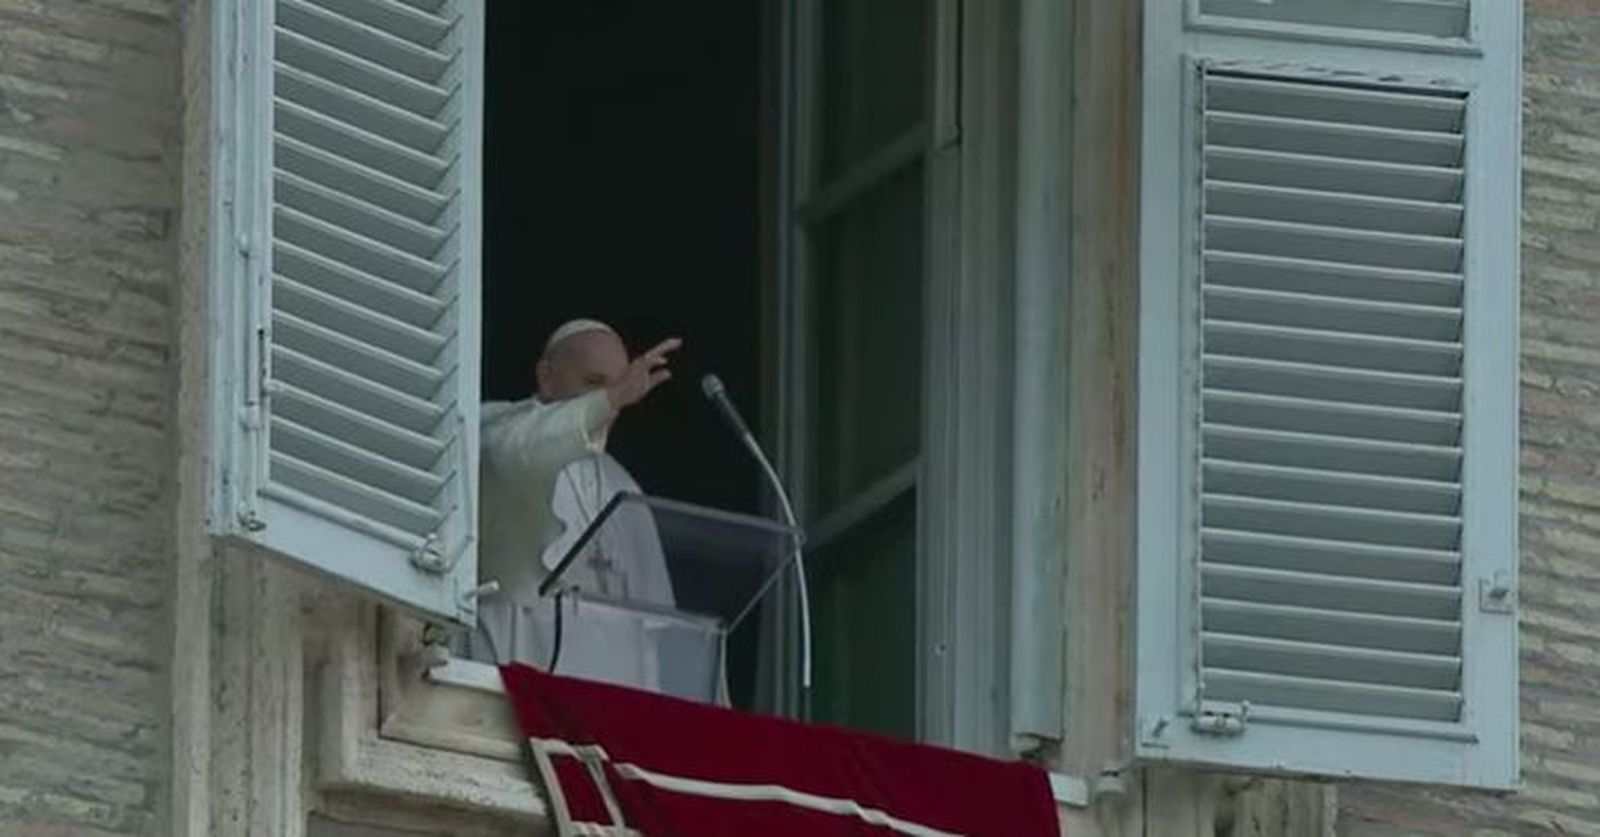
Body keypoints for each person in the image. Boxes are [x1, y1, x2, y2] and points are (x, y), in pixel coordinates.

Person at [466, 319, 682, 690]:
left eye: (620, 385)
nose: (616, 399)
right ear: (546, 377)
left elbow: (651, 625)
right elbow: (522, 451)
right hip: (515, 675)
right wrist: (612, 399)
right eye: (595, 383)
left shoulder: (621, 483)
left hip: (609, 696)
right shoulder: (501, 431)